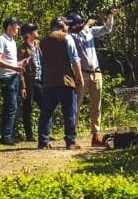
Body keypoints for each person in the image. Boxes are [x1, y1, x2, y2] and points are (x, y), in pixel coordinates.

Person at [65, 8, 119, 147]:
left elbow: (107, 29)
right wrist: (87, 25)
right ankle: (72, 136)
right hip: (81, 73)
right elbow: (79, 36)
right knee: (75, 105)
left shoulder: (88, 31)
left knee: (97, 106)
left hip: (96, 72)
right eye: (78, 23)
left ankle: (95, 135)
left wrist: (110, 16)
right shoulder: (70, 36)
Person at [37, 16, 84, 149]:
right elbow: (75, 59)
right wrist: (79, 77)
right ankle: (70, 141)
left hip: (48, 81)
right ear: (61, 25)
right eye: (66, 24)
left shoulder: (43, 41)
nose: (68, 27)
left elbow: (41, 62)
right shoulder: (66, 37)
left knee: (46, 113)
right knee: (70, 112)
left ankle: (43, 141)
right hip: (65, 80)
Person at [0, 16, 28, 146]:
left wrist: (19, 63)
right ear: (9, 26)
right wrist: (14, 67)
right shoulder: (0, 40)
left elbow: (8, 60)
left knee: (13, 106)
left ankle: (10, 135)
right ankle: (6, 136)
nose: (18, 28)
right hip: (6, 77)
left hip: (14, 76)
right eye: (16, 25)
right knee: (10, 106)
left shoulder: (12, 41)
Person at [16, 23, 42, 142]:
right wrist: (23, 86)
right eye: (35, 30)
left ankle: (44, 131)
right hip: (29, 81)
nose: (37, 31)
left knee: (46, 106)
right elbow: (20, 69)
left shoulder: (38, 45)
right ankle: (29, 134)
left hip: (41, 80)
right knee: (28, 108)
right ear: (28, 34)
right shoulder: (22, 49)